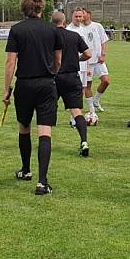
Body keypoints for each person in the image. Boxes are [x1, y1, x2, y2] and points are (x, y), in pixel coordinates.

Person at [3, 0, 63, 195]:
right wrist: (51, 73)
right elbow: (58, 60)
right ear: (41, 9)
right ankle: (42, 182)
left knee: (24, 127)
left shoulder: (17, 30)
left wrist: (6, 88)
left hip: (24, 84)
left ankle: (26, 170)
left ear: (23, 9)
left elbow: (11, 62)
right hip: (46, 83)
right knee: (44, 131)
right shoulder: (53, 30)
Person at [51, 11, 92, 157]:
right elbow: (88, 54)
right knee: (76, 111)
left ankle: (45, 140)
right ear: (65, 21)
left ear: (52, 21)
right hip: (72, 77)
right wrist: (77, 60)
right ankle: (84, 141)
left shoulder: (49, 36)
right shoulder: (74, 36)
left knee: (48, 108)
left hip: (54, 77)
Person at [65, 8, 95, 124]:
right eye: (76, 16)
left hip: (82, 65)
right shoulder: (69, 30)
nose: (78, 18)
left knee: (81, 91)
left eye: (80, 16)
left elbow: (86, 50)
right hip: (72, 66)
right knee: (74, 92)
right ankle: (73, 118)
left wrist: (87, 67)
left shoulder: (84, 30)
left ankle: (76, 117)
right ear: (72, 17)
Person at [83, 9, 111, 113]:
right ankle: (91, 109)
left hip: (98, 60)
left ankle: (96, 100)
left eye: (83, 13)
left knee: (106, 81)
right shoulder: (80, 28)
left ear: (89, 14)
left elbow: (104, 41)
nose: (81, 16)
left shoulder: (97, 26)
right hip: (87, 62)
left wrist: (103, 54)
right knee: (88, 85)